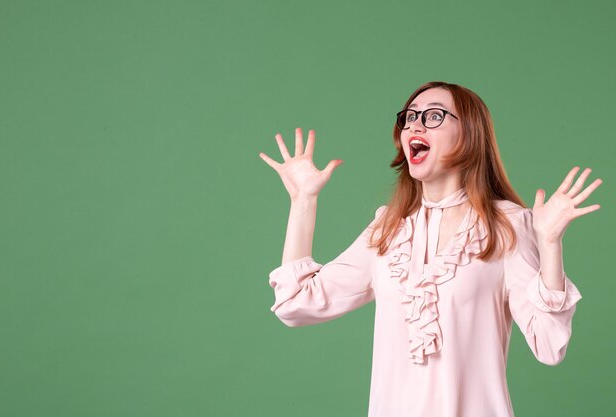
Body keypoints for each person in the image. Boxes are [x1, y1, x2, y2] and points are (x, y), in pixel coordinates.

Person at [258, 81, 602, 417]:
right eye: (410, 117)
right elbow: (296, 303)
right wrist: (303, 200)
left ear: (469, 134)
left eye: (434, 116)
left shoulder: (508, 225)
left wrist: (550, 244)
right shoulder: (388, 229)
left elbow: (549, 344)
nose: (415, 125)